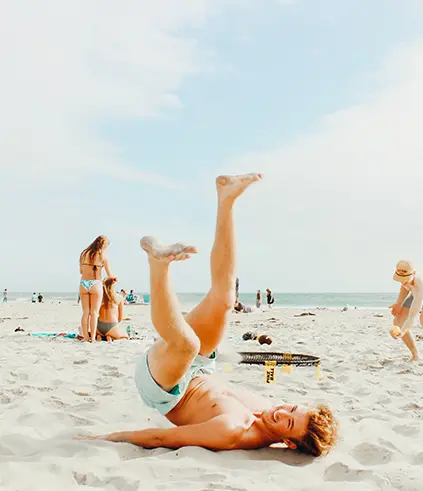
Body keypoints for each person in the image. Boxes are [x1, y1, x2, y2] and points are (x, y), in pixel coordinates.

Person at [86, 174, 337, 456]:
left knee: (188, 344)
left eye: (288, 422)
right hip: (201, 368)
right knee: (225, 299)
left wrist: (103, 438)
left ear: (289, 443)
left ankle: (158, 265)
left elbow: (161, 438)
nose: (282, 412)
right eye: (291, 408)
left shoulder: (233, 432)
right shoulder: (269, 408)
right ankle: (226, 199)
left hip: (165, 388)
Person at [79, 235, 113, 342]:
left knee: (85, 312)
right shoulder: (103, 256)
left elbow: (81, 271)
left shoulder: (84, 254)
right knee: (94, 313)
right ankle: (93, 338)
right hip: (95, 283)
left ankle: (86, 337)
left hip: (84, 283)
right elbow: (109, 275)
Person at [389, 260, 423, 361]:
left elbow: (413, 316)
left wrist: (402, 332)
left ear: (413, 274)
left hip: (419, 293)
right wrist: (398, 303)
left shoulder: (418, 284)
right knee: (398, 321)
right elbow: (404, 287)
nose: (403, 281)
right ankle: (415, 355)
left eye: (405, 279)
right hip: (414, 293)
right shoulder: (406, 278)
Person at [97, 277, 129, 342]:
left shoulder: (99, 297)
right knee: (126, 336)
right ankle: (109, 336)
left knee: (99, 333)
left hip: (98, 327)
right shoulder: (119, 298)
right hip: (112, 326)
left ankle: (100, 336)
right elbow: (120, 318)